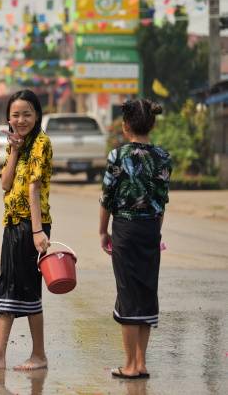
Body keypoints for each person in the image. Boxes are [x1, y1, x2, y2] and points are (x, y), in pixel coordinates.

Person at [0, 89, 52, 370]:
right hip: (13, 222)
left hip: (31, 224)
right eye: (15, 115)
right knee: (8, 285)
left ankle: (38, 355)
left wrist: (36, 231)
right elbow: (5, 183)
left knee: (30, 287)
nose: (21, 120)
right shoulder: (16, 144)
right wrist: (15, 149)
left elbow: (33, 189)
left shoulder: (41, 144)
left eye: (27, 114)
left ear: (37, 115)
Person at [99, 99, 171, 379]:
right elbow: (161, 201)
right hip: (151, 228)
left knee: (128, 294)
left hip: (126, 228)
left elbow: (107, 197)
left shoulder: (119, 156)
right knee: (146, 291)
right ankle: (141, 362)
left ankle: (130, 366)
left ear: (125, 125)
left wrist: (103, 231)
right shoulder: (163, 157)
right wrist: (156, 230)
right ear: (152, 124)